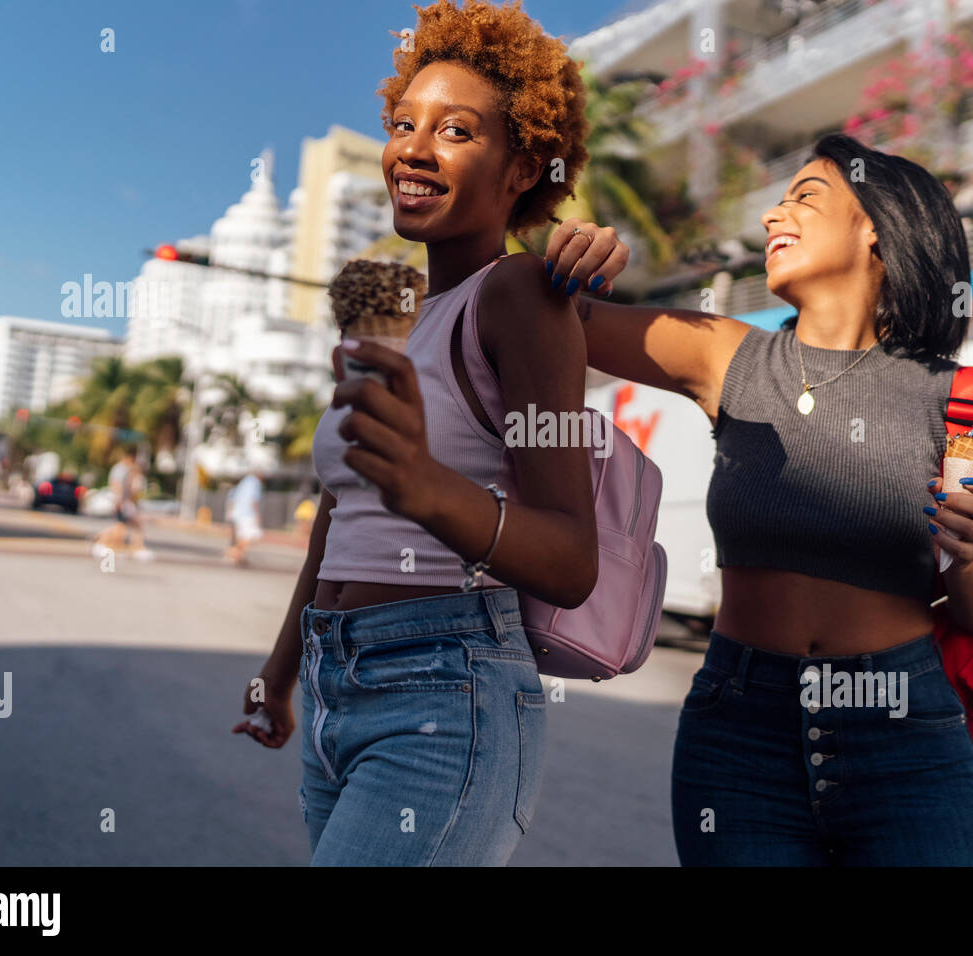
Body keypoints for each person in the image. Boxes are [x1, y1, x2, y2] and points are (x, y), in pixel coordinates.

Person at [547, 133, 973, 865]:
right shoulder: (726, 355)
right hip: (739, 734)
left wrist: (964, 556)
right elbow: (557, 326)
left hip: (905, 735)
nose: (774, 215)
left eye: (804, 196)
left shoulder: (967, 397)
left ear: (877, 228)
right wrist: (572, 257)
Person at [232, 0, 598, 867]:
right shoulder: (396, 315)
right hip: (334, 683)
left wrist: (426, 489)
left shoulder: (519, 297)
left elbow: (572, 559)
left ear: (521, 169)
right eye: (404, 124)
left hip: (445, 691)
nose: (414, 148)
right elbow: (337, 518)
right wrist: (281, 675)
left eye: (458, 130)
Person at [93, 447, 151, 561]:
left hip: (124, 501)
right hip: (120, 501)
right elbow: (116, 484)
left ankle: (107, 544)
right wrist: (119, 500)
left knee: (125, 526)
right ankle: (102, 542)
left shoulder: (125, 469)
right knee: (124, 526)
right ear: (130, 457)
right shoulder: (120, 469)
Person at [224, 468, 265, 567]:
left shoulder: (245, 481)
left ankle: (239, 556)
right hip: (247, 514)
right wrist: (258, 516)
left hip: (238, 513)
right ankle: (234, 552)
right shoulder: (255, 483)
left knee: (243, 536)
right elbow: (253, 500)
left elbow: (233, 496)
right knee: (254, 536)